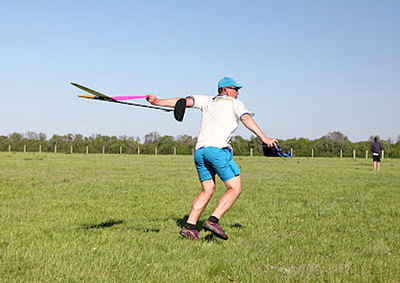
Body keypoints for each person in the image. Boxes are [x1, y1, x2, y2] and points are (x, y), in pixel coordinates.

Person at [147, 77, 277, 240]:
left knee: (207, 189)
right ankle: (213, 220)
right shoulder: (235, 103)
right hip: (217, 150)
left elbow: (182, 101)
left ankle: (189, 227)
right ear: (227, 89)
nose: (238, 93)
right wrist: (265, 138)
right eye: (236, 89)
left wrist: (157, 101)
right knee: (235, 188)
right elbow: (245, 118)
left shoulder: (206, 100)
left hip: (200, 151)